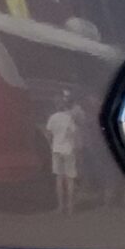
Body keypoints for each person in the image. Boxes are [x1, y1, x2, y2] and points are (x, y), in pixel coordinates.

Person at [46, 86, 88, 214]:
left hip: (56, 149)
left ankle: (60, 206)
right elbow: (74, 133)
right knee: (70, 179)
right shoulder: (68, 118)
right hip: (68, 149)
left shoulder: (52, 117)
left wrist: (51, 144)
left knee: (59, 179)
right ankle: (70, 207)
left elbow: (48, 134)